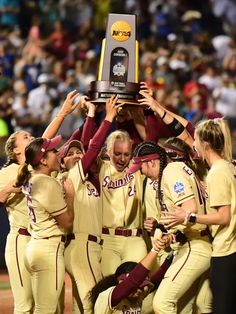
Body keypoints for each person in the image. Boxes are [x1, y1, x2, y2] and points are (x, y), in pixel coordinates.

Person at [0, 90, 80, 313]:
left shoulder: (38, 170)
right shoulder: (11, 171)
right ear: (16, 150)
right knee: (26, 305)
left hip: (40, 240)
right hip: (21, 239)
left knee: (51, 305)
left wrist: (63, 114)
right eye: (25, 137)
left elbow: (44, 144)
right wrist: (11, 187)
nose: (32, 139)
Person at [127, 141, 212, 314]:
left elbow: (190, 208)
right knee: (183, 309)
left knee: (162, 303)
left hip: (194, 244)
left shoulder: (171, 171)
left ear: (151, 162)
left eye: (141, 168)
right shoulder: (172, 171)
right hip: (193, 242)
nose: (141, 174)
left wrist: (177, 220)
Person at [161, 118, 236, 314]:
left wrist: (189, 217)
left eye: (195, 140)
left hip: (226, 249)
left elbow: (223, 217)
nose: (192, 144)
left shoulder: (217, 172)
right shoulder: (226, 167)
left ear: (206, 144)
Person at [60, 95, 120, 313]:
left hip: (85, 246)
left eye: (79, 153)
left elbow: (87, 147)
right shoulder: (70, 177)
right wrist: (108, 117)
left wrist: (91, 114)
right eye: (70, 153)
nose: (77, 155)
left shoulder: (84, 179)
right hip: (82, 245)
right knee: (98, 301)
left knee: (80, 305)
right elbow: (92, 148)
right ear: (61, 162)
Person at [15, 135, 74, 314]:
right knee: (46, 310)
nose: (57, 153)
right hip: (48, 249)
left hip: (35, 247)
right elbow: (67, 222)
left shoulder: (32, 179)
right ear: (43, 160)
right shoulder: (47, 183)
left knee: (41, 309)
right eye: (53, 151)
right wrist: (70, 196)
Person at [89, 233, 175, 313]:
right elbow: (133, 281)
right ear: (120, 282)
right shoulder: (109, 296)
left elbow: (155, 281)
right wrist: (156, 249)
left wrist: (174, 253)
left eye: (141, 287)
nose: (138, 290)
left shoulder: (136, 296)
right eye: (136, 287)